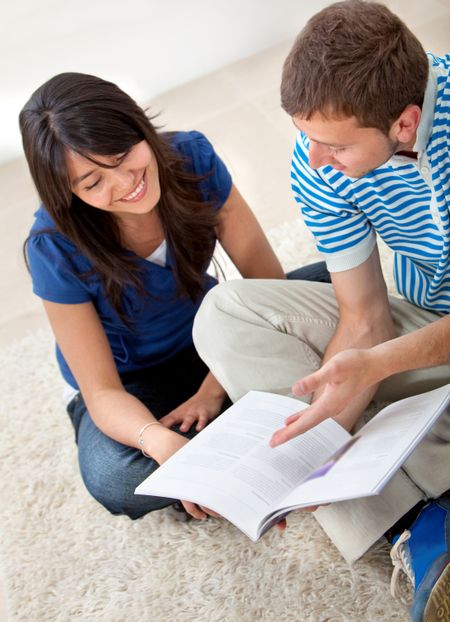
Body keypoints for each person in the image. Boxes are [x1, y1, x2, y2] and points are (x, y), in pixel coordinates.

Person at [192, 2, 450, 620]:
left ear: (405, 123)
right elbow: (363, 317)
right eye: (307, 136)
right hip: (423, 333)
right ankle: (418, 522)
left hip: (416, 355)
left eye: (332, 143)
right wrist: (311, 443)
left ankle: (419, 506)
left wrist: (376, 367)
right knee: (223, 314)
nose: (313, 158)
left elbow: (377, 352)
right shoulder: (322, 165)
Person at [20, 71, 293, 522]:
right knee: (113, 477)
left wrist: (214, 387)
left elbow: (270, 289)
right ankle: (238, 442)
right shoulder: (53, 246)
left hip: (217, 335)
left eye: (122, 154)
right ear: (67, 193)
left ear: (137, 126)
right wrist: (161, 442)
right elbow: (102, 391)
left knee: (329, 290)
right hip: (132, 384)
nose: (125, 183)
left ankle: (225, 438)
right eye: (92, 182)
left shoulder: (191, 158)